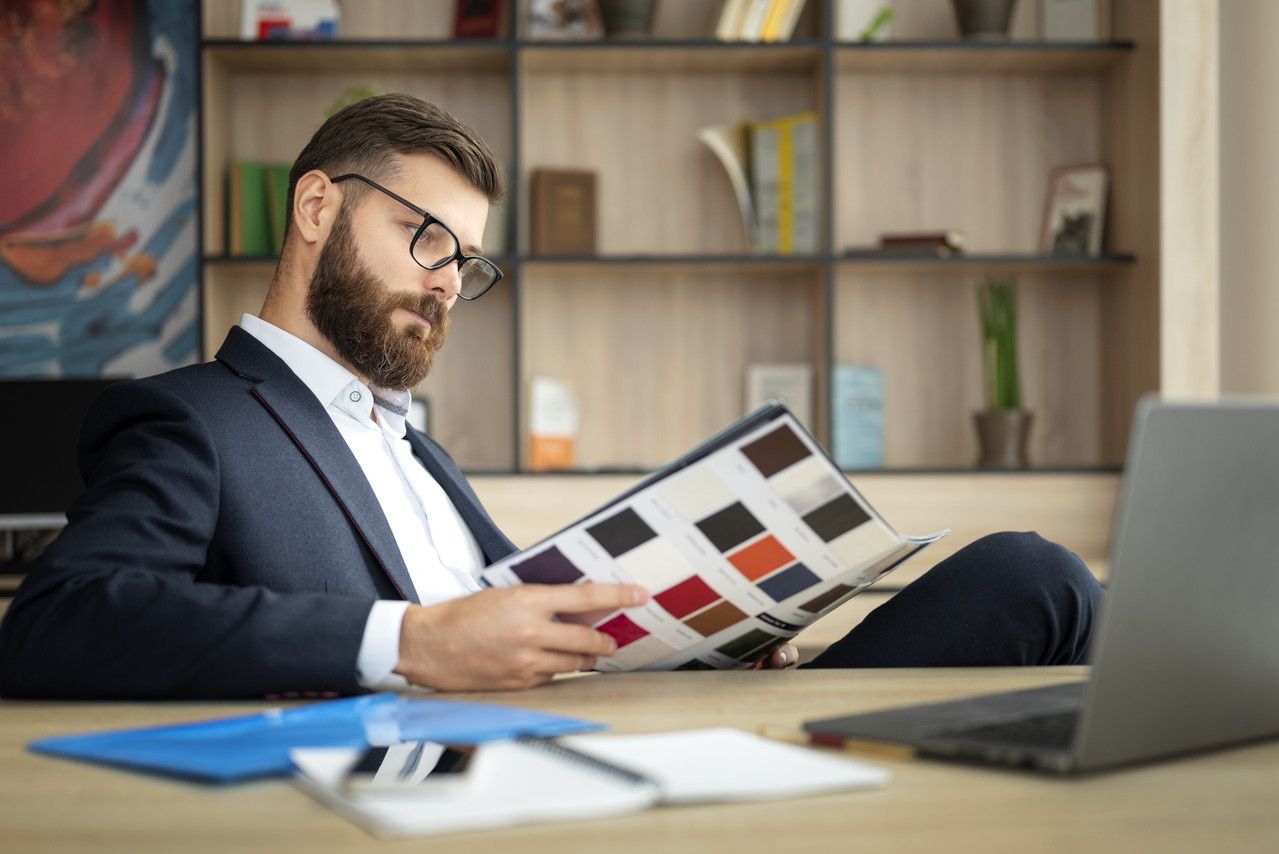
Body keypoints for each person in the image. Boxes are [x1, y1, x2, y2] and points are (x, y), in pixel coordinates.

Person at [0, 95, 1102, 700]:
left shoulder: (419, 453)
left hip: (631, 712)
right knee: (1037, 578)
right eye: (422, 235)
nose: (445, 278)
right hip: (457, 780)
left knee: (1028, 577)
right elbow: (57, 622)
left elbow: (518, 615)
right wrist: (411, 641)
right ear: (317, 206)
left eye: (466, 261)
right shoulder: (196, 416)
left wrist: (711, 629)